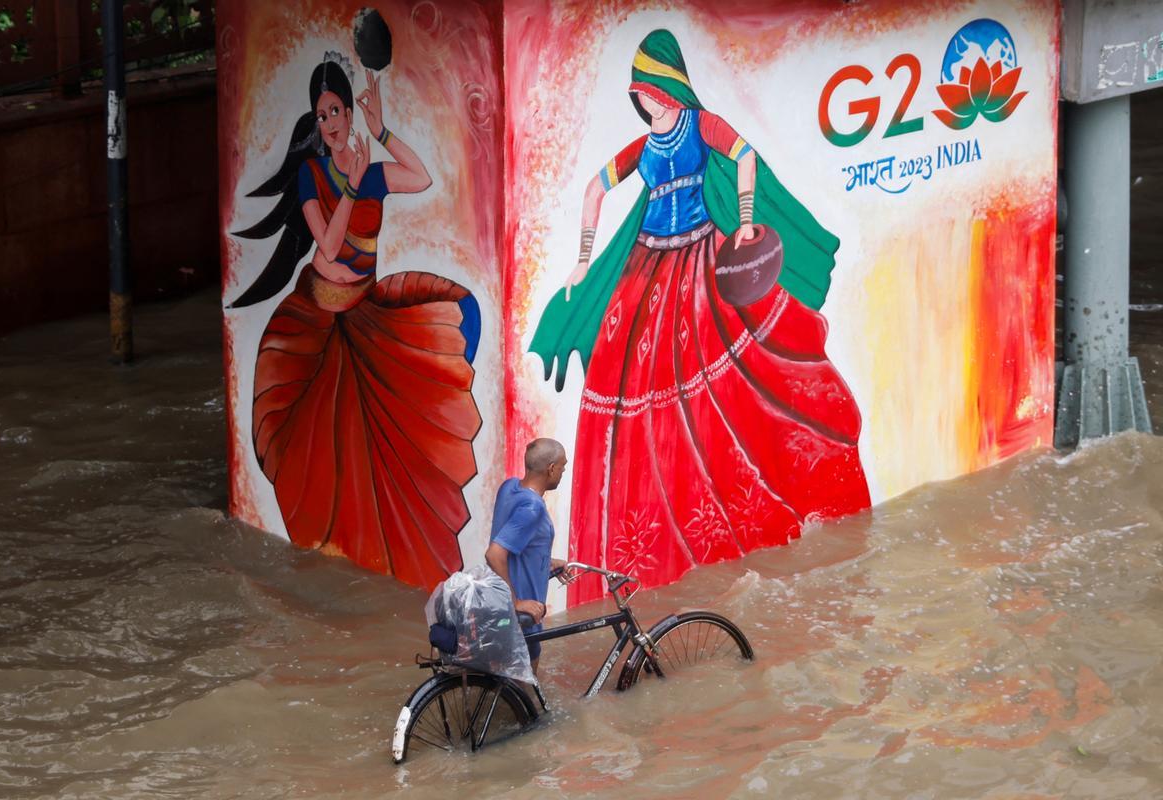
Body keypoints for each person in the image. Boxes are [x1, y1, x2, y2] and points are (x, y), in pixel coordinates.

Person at [529, 29, 872, 606]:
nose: (648, 100)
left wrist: (741, 221)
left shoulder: (699, 124)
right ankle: (655, 548)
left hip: (700, 261)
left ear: (669, 83)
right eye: (641, 93)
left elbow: (744, 156)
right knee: (636, 400)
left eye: (653, 89)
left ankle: (730, 518)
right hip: (647, 270)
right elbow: (594, 188)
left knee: (723, 387)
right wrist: (585, 262)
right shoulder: (643, 148)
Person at [228, 44, 482, 593]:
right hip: (315, 321)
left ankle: (392, 572)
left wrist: (383, 130)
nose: (330, 123)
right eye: (321, 116)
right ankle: (334, 567)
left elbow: (420, 179)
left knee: (393, 440)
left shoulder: (366, 170)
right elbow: (330, 240)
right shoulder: (313, 175)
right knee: (322, 450)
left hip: (363, 310)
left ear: (348, 110)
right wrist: (350, 181)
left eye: (336, 111)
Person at [485, 439, 571, 674]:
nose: (563, 473)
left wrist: (549, 563)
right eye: (563, 467)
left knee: (506, 685)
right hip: (524, 613)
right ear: (551, 468)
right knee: (525, 692)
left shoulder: (510, 487)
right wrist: (516, 602)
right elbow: (494, 554)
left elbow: (517, 546)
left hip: (500, 606)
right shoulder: (533, 508)